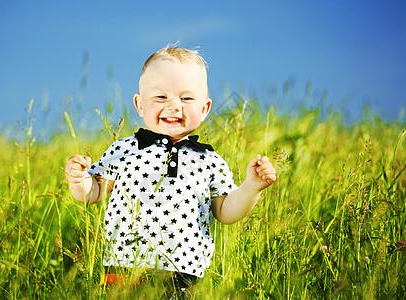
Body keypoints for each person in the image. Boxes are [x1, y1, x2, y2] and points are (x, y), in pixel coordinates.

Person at [65, 46, 276, 296]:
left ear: (204, 108)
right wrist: (79, 180)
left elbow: (225, 211)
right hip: (124, 266)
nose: (174, 106)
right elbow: (95, 193)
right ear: (140, 105)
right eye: (161, 97)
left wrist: (251, 187)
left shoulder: (209, 159)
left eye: (186, 98)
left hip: (182, 271)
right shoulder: (125, 149)